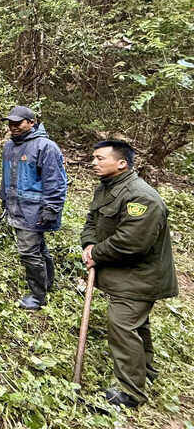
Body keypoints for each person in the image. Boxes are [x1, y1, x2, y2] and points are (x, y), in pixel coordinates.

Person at [81, 140, 178, 408]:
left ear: (122, 163)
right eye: (93, 157)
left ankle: (131, 392)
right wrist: (89, 244)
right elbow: (92, 221)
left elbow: (131, 242)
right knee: (137, 324)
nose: (94, 163)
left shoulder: (141, 197)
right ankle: (146, 371)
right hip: (125, 273)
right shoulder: (107, 187)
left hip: (141, 276)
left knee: (123, 326)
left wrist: (96, 253)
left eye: (100, 158)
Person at [0, 106, 67, 310]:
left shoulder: (45, 146)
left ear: (31, 122)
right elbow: (6, 176)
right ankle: (47, 283)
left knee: (29, 251)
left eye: (18, 123)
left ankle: (38, 296)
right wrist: (4, 198)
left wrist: (51, 208)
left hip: (34, 209)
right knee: (38, 247)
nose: (13, 127)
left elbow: (55, 181)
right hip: (15, 206)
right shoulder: (9, 146)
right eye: (10, 123)